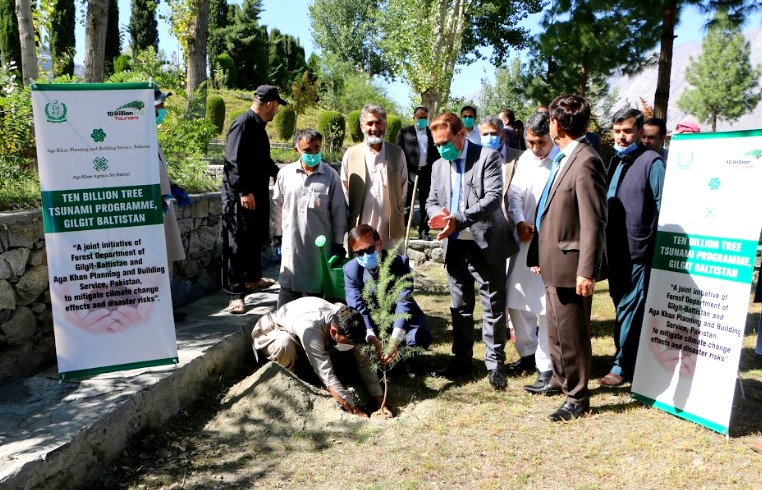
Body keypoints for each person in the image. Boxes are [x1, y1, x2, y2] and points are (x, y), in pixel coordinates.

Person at [527, 94, 607, 421]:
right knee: (557, 333)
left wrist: (586, 271)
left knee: (571, 335)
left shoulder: (586, 159)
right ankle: (564, 384)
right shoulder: (564, 157)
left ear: (557, 124)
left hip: (572, 265)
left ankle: (577, 398)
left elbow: (594, 220)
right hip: (553, 263)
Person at [426, 112, 518, 390]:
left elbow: (492, 198)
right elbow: (431, 200)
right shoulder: (439, 166)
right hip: (454, 244)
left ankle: (494, 364)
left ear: (461, 135)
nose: (442, 149)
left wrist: (458, 219)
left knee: (492, 305)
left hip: (485, 242)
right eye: (437, 144)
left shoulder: (487, 157)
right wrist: (438, 217)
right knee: (460, 306)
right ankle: (462, 359)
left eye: (445, 142)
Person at [599, 108, 665, 387]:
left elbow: (663, 206)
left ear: (639, 132)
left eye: (627, 131)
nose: (621, 136)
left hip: (637, 250)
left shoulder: (652, 162)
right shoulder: (616, 160)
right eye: (617, 131)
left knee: (631, 308)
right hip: (612, 249)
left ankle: (622, 366)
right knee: (621, 305)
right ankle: (627, 357)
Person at [251, 296, 388, 417]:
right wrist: (355, 411)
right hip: (273, 331)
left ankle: (309, 371)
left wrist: (380, 402)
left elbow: (365, 363)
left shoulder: (348, 324)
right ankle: (295, 378)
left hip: (310, 338)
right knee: (284, 344)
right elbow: (327, 376)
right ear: (333, 331)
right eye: (347, 343)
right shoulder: (310, 330)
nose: (351, 346)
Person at [505, 111, 559, 391]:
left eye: (541, 142)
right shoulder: (525, 159)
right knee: (515, 299)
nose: (536, 148)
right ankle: (527, 352)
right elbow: (514, 194)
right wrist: (519, 220)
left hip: (549, 244)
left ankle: (547, 366)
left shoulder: (561, 160)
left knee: (546, 308)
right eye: (530, 142)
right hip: (523, 238)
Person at [221, 85, 285, 314]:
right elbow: (232, 162)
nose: (277, 111)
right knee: (237, 243)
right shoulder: (243, 124)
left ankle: (253, 278)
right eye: (277, 105)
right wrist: (243, 191)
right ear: (269, 104)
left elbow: (264, 161)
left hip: (255, 193)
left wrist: (283, 174)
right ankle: (235, 294)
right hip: (241, 195)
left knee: (254, 239)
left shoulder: (258, 127)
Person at [272, 129, 347, 308]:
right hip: (292, 246)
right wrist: (277, 235)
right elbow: (277, 207)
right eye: (307, 150)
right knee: (288, 291)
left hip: (320, 249)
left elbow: (339, 212)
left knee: (318, 295)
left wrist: (338, 243)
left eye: (316, 148)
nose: (313, 154)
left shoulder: (330, 176)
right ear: (296, 150)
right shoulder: (285, 174)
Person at [343, 224, 432, 363]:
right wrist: (370, 334)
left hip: (401, 321)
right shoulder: (351, 271)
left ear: (379, 244)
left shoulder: (399, 264)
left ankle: (403, 357)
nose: (365, 256)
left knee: (416, 339)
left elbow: (404, 301)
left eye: (369, 249)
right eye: (359, 253)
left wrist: (395, 339)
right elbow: (357, 306)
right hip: (374, 323)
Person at [341, 104, 408, 252]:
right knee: (363, 271)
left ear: (385, 125)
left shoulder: (397, 153)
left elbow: (403, 188)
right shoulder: (351, 154)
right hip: (361, 229)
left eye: (379, 122)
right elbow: (345, 190)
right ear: (362, 126)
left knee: (391, 269)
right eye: (370, 123)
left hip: (391, 231)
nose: (374, 128)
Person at [154, 87, 190, 322]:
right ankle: (157, 315)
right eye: (159, 107)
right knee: (155, 264)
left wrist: (172, 186)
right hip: (152, 212)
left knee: (164, 263)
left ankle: (163, 312)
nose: (163, 111)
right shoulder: (134, 141)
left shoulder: (150, 138)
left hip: (162, 206)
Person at [397, 106, 439, 241]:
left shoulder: (432, 132)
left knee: (426, 202)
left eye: (425, 118)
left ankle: (424, 231)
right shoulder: (405, 132)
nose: (422, 120)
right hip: (409, 172)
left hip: (427, 172)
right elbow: (398, 152)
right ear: (414, 118)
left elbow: (437, 152)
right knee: (408, 202)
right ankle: (403, 231)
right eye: (420, 118)